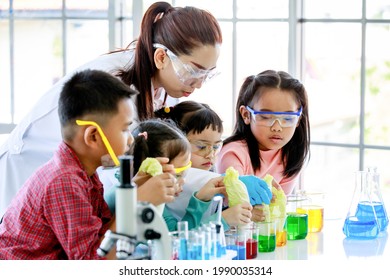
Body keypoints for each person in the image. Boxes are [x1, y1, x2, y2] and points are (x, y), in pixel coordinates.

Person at [0, 1, 223, 217]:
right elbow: (116, 170)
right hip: (28, 179)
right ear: (162, 57)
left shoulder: (167, 85)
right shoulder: (113, 89)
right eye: (194, 72)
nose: (199, 83)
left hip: (81, 185)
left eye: (207, 74)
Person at [0, 69, 136, 259]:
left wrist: (137, 189)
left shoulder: (84, 173)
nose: (130, 140)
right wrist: (133, 205)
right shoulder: (65, 181)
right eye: (124, 130)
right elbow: (92, 263)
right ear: (93, 136)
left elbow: (100, 234)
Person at [105, 119, 240, 231]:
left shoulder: (143, 194)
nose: (184, 182)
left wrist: (201, 198)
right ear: (152, 170)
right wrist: (221, 221)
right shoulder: (125, 197)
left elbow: (176, 232)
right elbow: (177, 241)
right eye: (178, 175)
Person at [155, 101, 271, 224]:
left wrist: (245, 213)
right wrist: (223, 220)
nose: (210, 155)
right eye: (201, 147)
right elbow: (181, 234)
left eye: (216, 147)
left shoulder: (210, 174)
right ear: (177, 144)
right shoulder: (160, 187)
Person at [216, 70, 311, 195]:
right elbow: (236, 202)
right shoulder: (233, 153)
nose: (277, 127)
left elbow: (279, 207)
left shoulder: (290, 157)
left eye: (288, 118)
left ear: (298, 119)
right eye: (266, 116)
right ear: (246, 114)